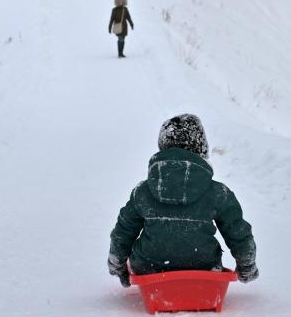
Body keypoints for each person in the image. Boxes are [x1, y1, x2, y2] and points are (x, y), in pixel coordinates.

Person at [107, 114, 259, 288]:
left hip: (150, 269)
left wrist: (118, 265)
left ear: (163, 149)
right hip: (204, 269)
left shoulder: (143, 191)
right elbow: (238, 232)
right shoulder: (218, 192)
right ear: (202, 149)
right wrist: (246, 266)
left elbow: (124, 231)